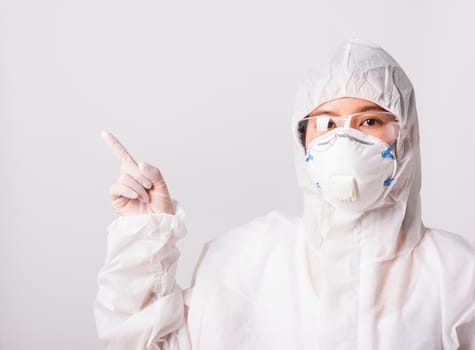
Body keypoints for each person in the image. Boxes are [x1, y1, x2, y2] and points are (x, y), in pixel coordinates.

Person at [94, 38, 475, 349]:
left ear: (406, 137)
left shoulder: (456, 273)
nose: (344, 138)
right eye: (326, 123)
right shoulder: (243, 261)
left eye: (370, 121)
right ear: (302, 140)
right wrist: (146, 237)